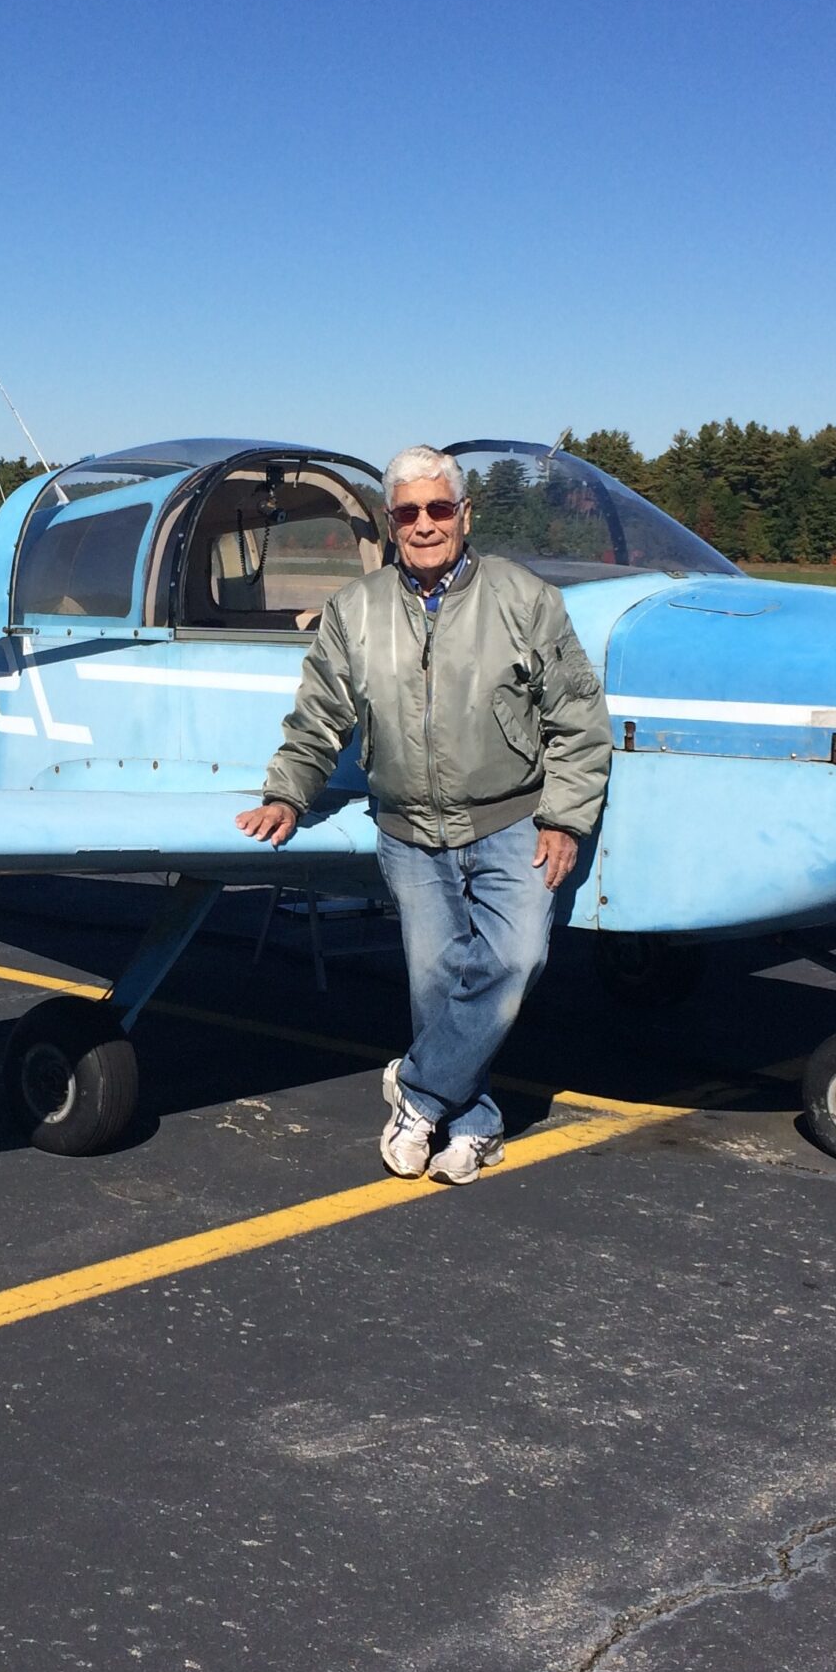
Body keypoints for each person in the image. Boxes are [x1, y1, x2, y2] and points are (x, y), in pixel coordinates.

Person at [237, 445, 611, 1182]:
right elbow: (319, 717)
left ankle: (418, 1091)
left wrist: (565, 816)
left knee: (516, 958)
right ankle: (472, 1126)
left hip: (511, 821)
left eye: (440, 509)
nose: (425, 524)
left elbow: (577, 715)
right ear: (391, 522)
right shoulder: (355, 611)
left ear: (465, 515)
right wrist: (288, 791)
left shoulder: (525, 598)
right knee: (434, 984)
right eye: (408, 512)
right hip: (408, 831)